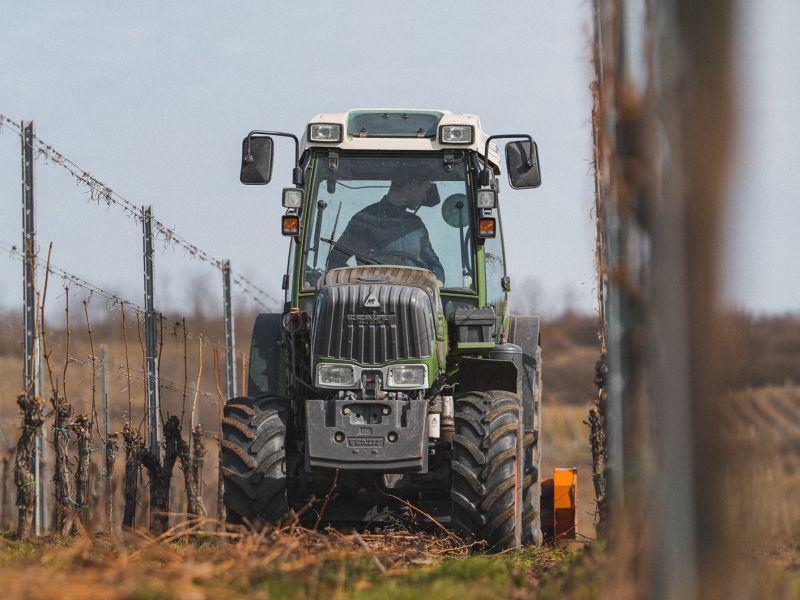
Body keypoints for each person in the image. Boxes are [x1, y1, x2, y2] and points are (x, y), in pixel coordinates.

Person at [327, 177, 446, 282]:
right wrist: (357, 283)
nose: (425, 197)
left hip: (416, 299)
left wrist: (438, 283)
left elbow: (434, 265)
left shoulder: (416, 224)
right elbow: (336, 261)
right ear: (413, 184)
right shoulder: (365, 219)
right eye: (425, 188)